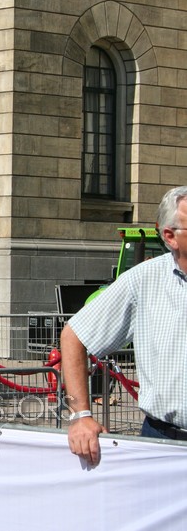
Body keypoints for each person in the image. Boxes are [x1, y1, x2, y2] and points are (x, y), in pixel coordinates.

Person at [61, 185, 187, 467]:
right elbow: (74, 335)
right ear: (170, 236)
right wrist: (80, 416)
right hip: (165, 447)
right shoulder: (143, 281)